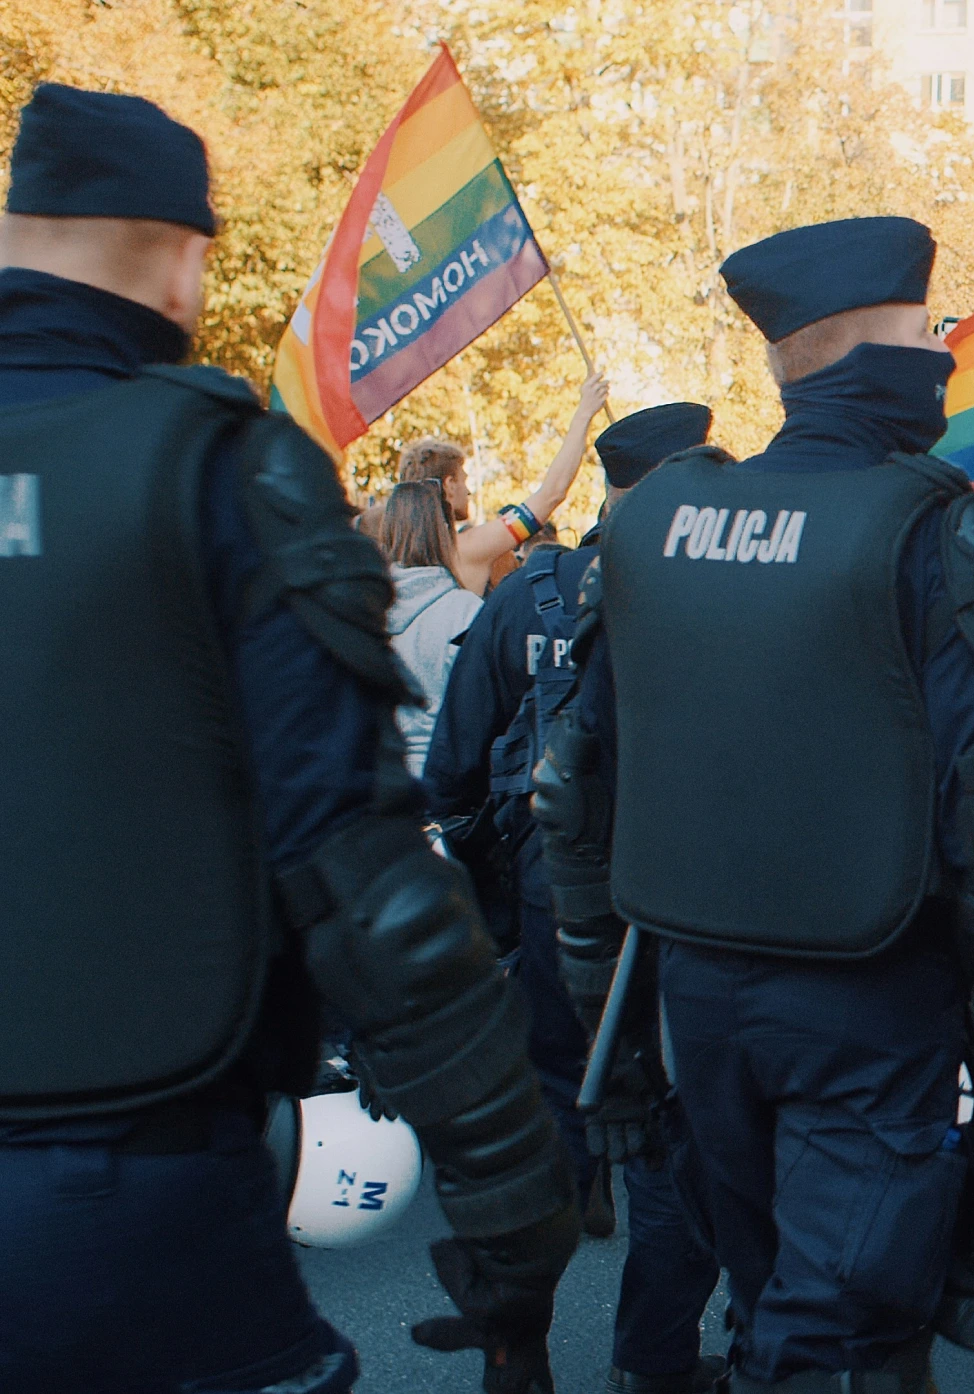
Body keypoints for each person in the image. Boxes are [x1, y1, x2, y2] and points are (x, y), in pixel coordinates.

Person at [0, 83, 577, 1394]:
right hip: (133, 1184)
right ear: (184, 256)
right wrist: (507, 1179)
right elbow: (355, 867)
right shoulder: (215, 467)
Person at [532, 216, 974, 1394]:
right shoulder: (935, 530)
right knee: (838, 1337)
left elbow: (574, 794)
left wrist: (610, 1038)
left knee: (780, 1296)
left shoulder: (651, 524)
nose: (942, 353)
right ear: (870, 349)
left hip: (696, 1002)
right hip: (868, 1004)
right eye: (926, 330)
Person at [423, 402, 726, 1394]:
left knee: (549, 1123)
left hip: (558, 904)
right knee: (672, 1141)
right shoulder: (718, 589)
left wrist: (501, 909)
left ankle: (519, 1344)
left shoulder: (536, 591)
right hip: (681, 906)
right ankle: (655, 1359)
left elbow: (456, 769)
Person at [395, 369, 609, 594]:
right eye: (464, 480)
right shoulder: (468, 548)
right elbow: (551, 494)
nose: (468, 492)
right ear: (448, 486)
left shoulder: (395, 561)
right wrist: (584, 412)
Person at [374, 477, 486, 776]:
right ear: (445, 533)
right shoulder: (466, 612)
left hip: (387, 782)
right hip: (450, 784)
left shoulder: (368, 611)